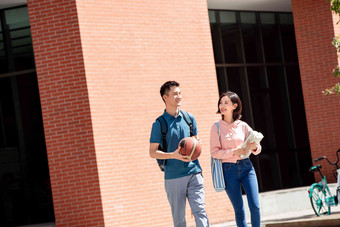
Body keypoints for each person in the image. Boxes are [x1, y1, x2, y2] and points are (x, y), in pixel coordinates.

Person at [149, 81, 209, 227]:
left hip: (194, 172)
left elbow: (195, 144)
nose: (179, 96)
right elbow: (152, 152)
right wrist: (173, 155)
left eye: (180, 93)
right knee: (179, 219)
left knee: (200, 211)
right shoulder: (159, 124)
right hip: (174, 176)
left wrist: (197, 144)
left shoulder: (189, 118)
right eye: (175, 94)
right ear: (165, 97)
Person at [210, 91, 262, 227]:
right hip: (228, 171)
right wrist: (235, 151)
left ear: (234, 106)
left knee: (255, 206)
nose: (222, 105)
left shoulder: (243, 126)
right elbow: (214, 152)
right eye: (221, 102)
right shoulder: (216, 128)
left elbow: (258, 147)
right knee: (239, 211)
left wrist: (254, 146)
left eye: (226, 103)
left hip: (247, 167)